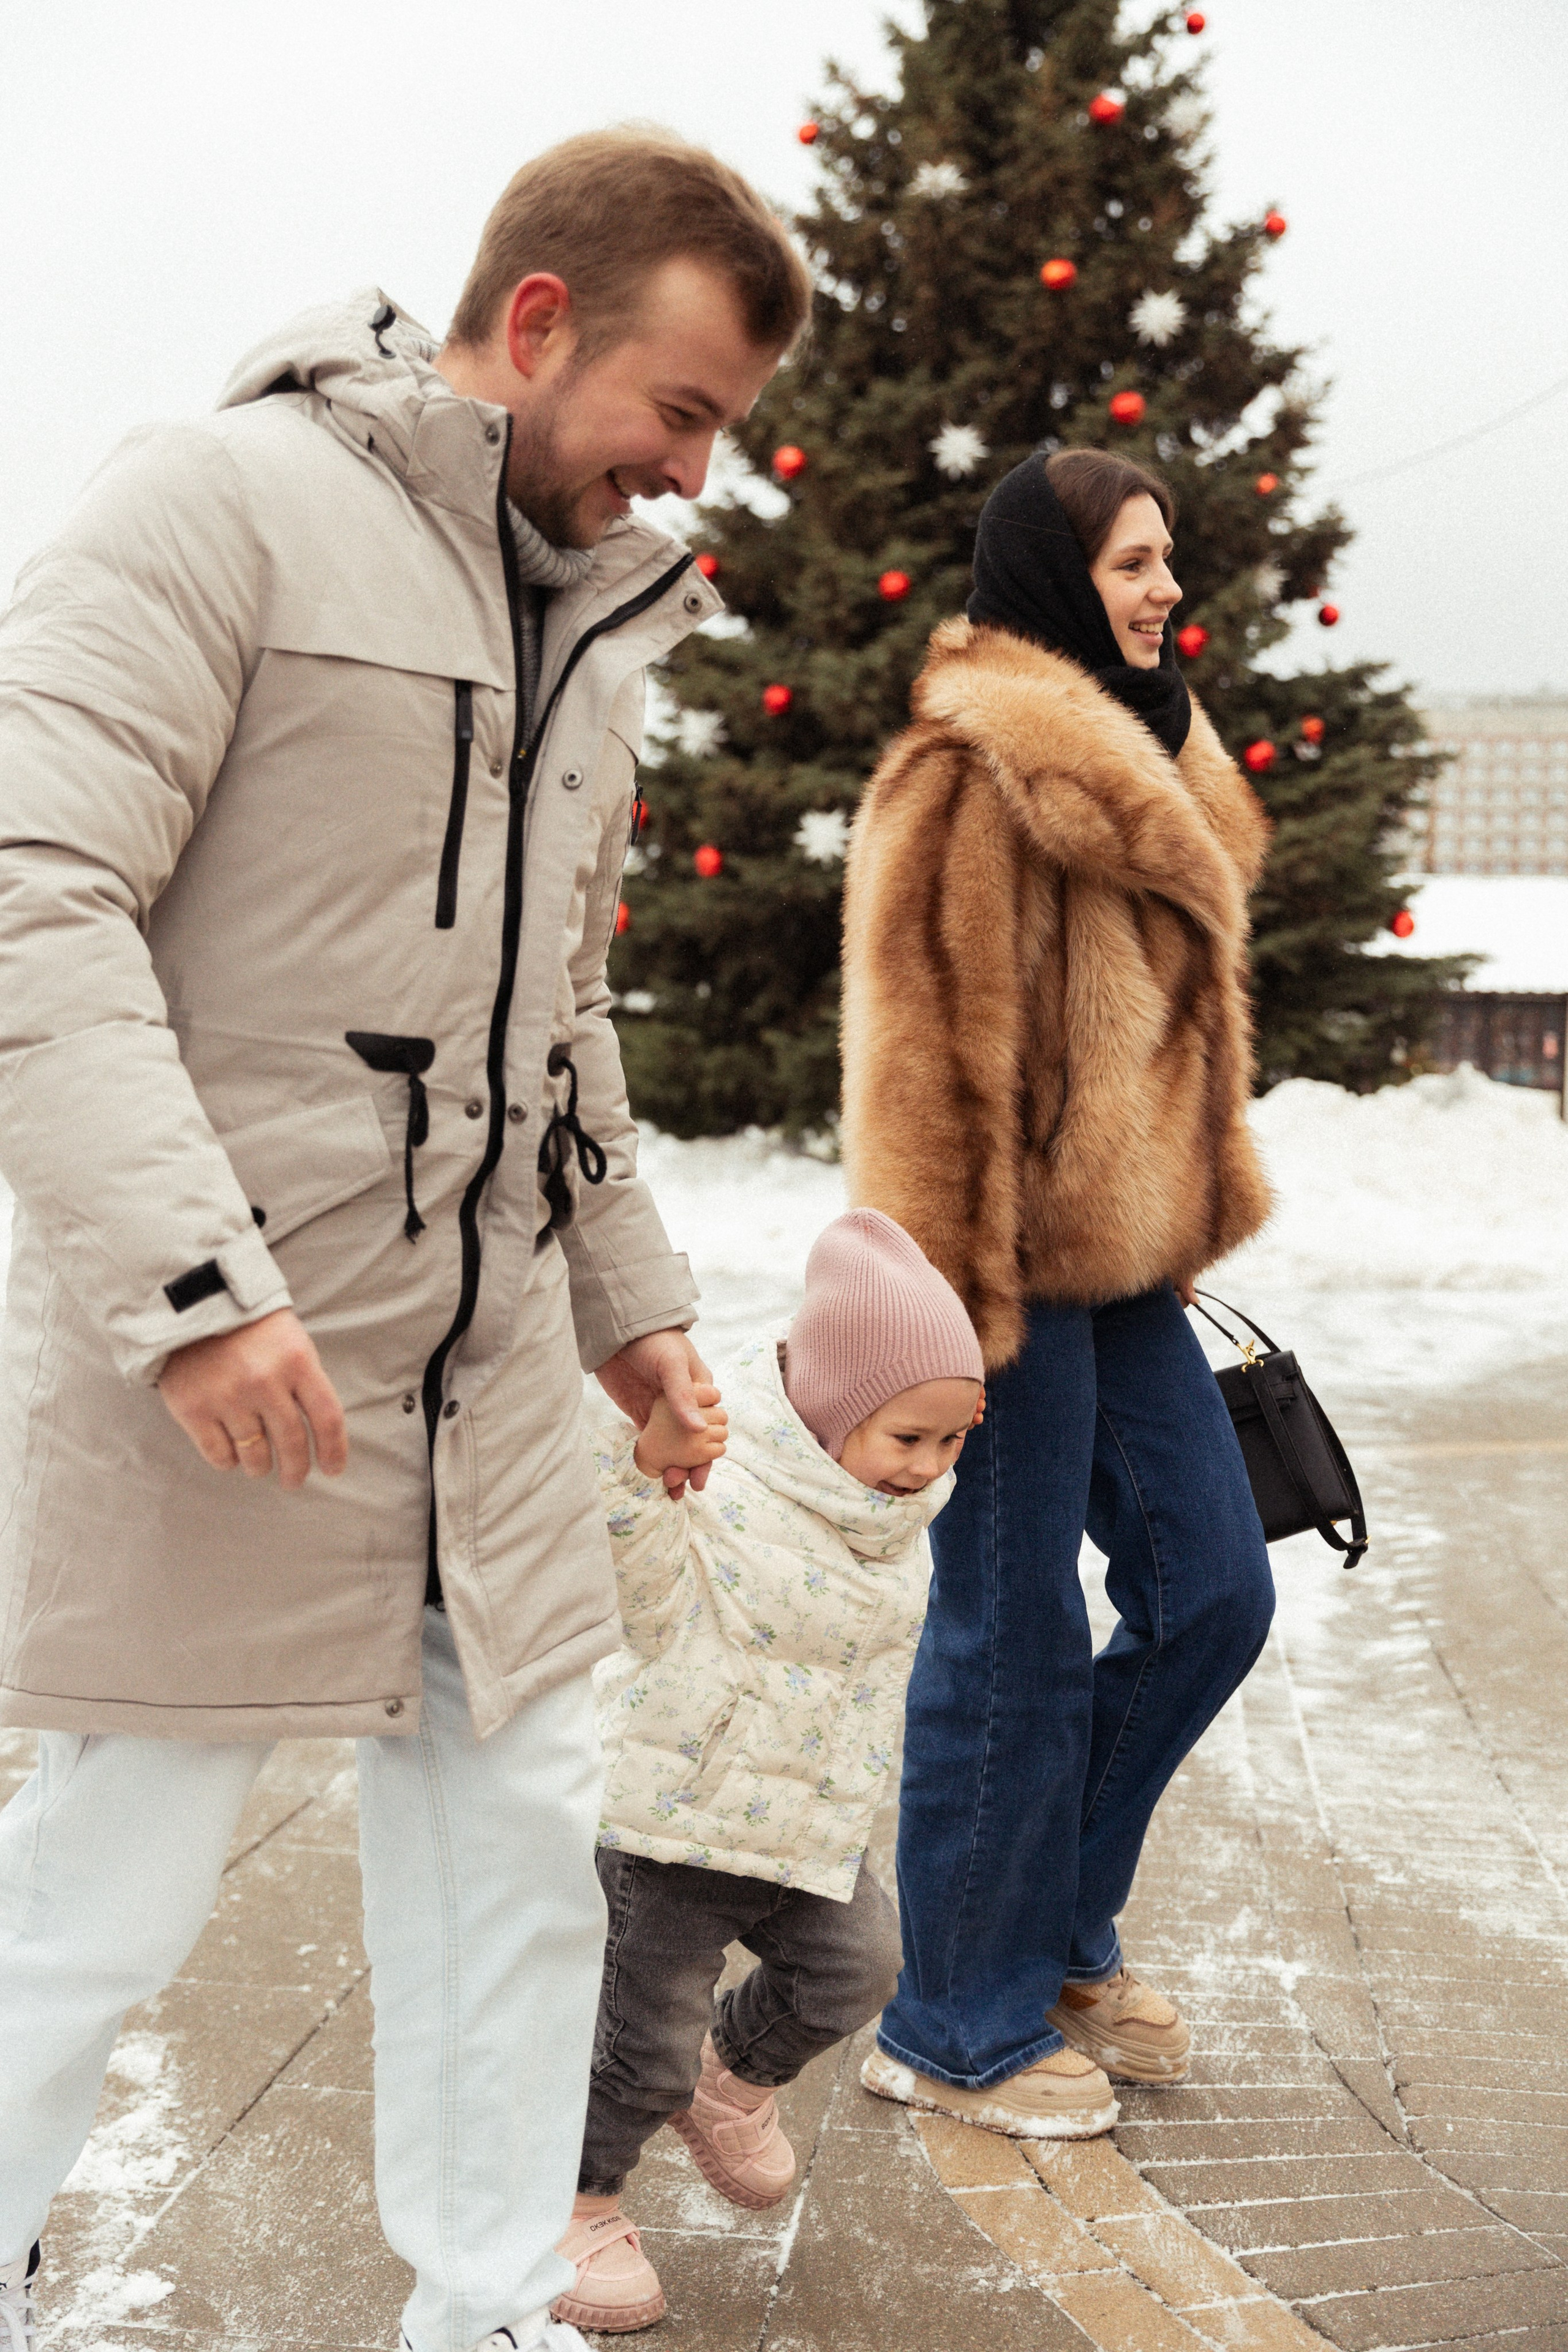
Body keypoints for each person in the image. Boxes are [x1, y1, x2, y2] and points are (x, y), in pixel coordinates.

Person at [0, 130, 810, 2352]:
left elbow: (556, 1017)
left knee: (523, 1874)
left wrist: (634, 1313)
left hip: (489, 1390)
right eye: (683, 411)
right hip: (230, 1380)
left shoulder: (593, 632)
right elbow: (27, 890)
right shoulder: (213, 504)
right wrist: (191, 1297)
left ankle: (483, 2308)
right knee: (107, 1894)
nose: (686, 476)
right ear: (539, 323)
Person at [839, 447, 1278, 2138]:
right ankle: (954, 2022)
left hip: (1132, 1273)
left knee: (1214, 1592)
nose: (1167, 588)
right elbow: (923, 1071)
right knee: (1010, 1642)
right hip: (1003, 1283)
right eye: (1133, 564)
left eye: (1169, 560)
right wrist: (949, 1324)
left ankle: (1055, 1927)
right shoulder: (973, 776)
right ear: (1049, 577)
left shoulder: (1152, 760)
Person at [550, 1210, 984, 2334]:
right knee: (634, 2049)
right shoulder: (730, 1479)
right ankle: (578, 2200)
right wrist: (644, 1474)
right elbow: (635, 1591)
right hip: (672, 1825)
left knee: (861, 1971)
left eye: (953, 1439)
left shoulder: (888, 1520)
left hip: (804, 1829)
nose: (930, 1468)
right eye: (907, 1438)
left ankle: (727, 2079)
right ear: (833, 1411)